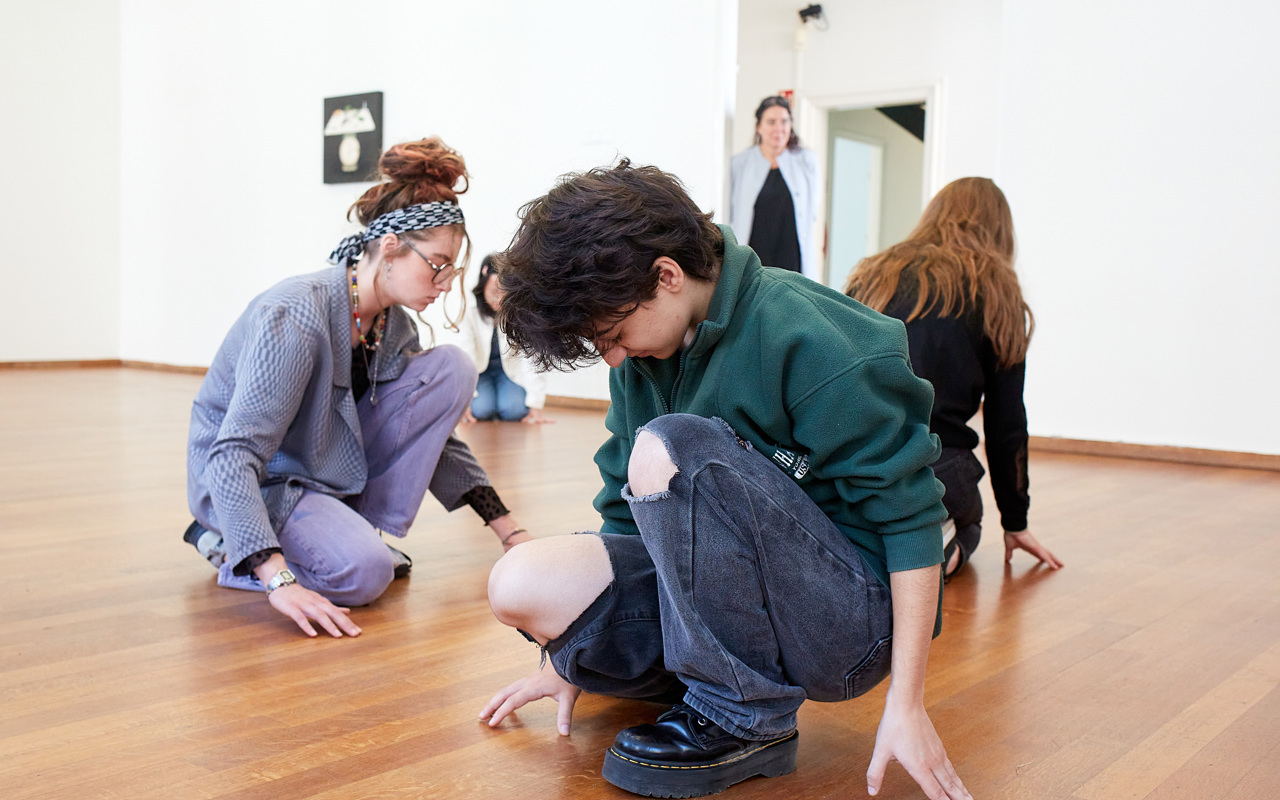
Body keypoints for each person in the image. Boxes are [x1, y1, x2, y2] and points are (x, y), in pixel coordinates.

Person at [479, 160, 971, 800]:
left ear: (666, 275)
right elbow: (624, 517)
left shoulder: (811, 336)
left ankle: (745, 715)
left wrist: (907, 702)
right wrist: (572, 657)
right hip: (736, 603)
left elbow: (911, 521)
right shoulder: (644, 356)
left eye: (615, 334)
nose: (615, 356)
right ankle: (704, 678)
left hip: (847, 625)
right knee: (518, 582)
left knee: (672, 446)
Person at [182, 138, 534, 639]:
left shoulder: (392, 325)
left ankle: (345, 533)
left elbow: (432, 439)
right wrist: (278, 579)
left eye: (452, 269)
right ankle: (228, 544)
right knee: (366, 574)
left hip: (319, 469)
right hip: (255, 482)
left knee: (453, 367)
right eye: (437, 264)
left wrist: (509, 531)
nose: (444, 282)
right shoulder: (296, 316)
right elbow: (233, 455)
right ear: (390, 248)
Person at [845, 177, 1062, 580]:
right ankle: (929, 549)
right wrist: (1015, 522)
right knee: (969, 522)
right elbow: (1007, 425)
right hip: (937, 467)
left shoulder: (874, 273)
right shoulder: (997, 291)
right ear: (999, 231)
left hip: (854, 459)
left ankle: (870, 538)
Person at [729, 95, 820, 275]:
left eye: (784, 122)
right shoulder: (740, 163)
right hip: (754, 263)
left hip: (792, 264)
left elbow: (812, 214)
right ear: (759, 127)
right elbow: (731, 213)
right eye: (771, 122)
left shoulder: (807, 161)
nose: (779, 128)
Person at [456, 254, 552, 424]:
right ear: (483, 284)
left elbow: (533, 357)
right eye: (494, 292)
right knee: (481, 410)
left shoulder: (521, 311)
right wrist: (464, 401)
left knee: (515, 411)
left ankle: (498, 403)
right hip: (480, 374)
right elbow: (466, 357)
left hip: (508, 373)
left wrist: (535, 404)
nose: (499, 299)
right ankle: (491, 404)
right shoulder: (468, 310)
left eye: (505, 292)